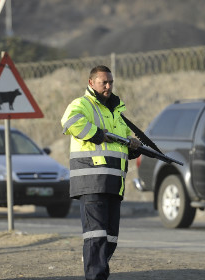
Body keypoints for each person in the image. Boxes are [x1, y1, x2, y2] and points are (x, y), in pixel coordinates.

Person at [60, 65, 141, 280]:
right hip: (91, 182)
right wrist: (97, 134)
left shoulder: (117, 113)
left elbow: (120, 146)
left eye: (110, 82)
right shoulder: (82, 104)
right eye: (103, 82)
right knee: (95, 237)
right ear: (91, 83)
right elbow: (70, 121)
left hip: (113, 184)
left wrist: (132, 146)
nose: (108, 86)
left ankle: (98, 274)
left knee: (110, 239)